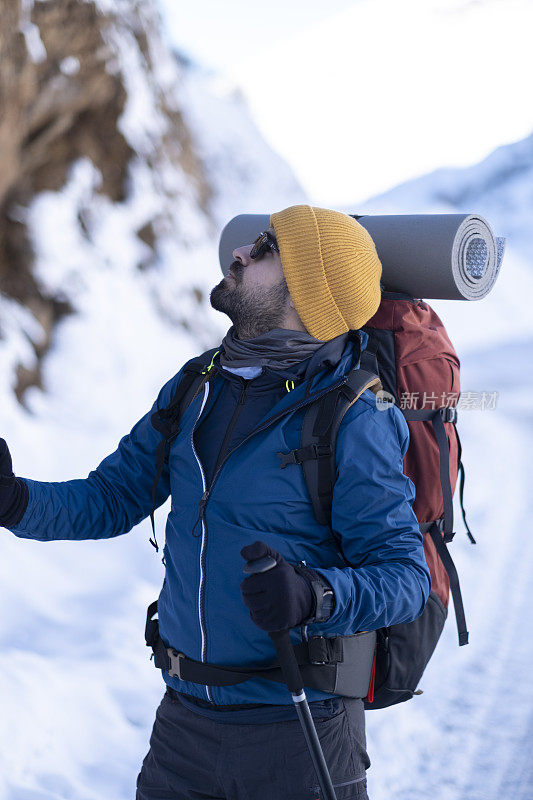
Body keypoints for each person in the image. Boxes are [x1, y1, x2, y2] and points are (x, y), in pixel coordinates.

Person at [0, 205, 431, 799]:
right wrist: (15, 501)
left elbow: (406, 577)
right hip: (184, 727)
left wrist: (315, 594)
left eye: (264, 248)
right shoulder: (198, 386)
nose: (238, 253)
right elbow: (113, 496)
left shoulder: (356, 416)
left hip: (301, 735)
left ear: (306, 290)